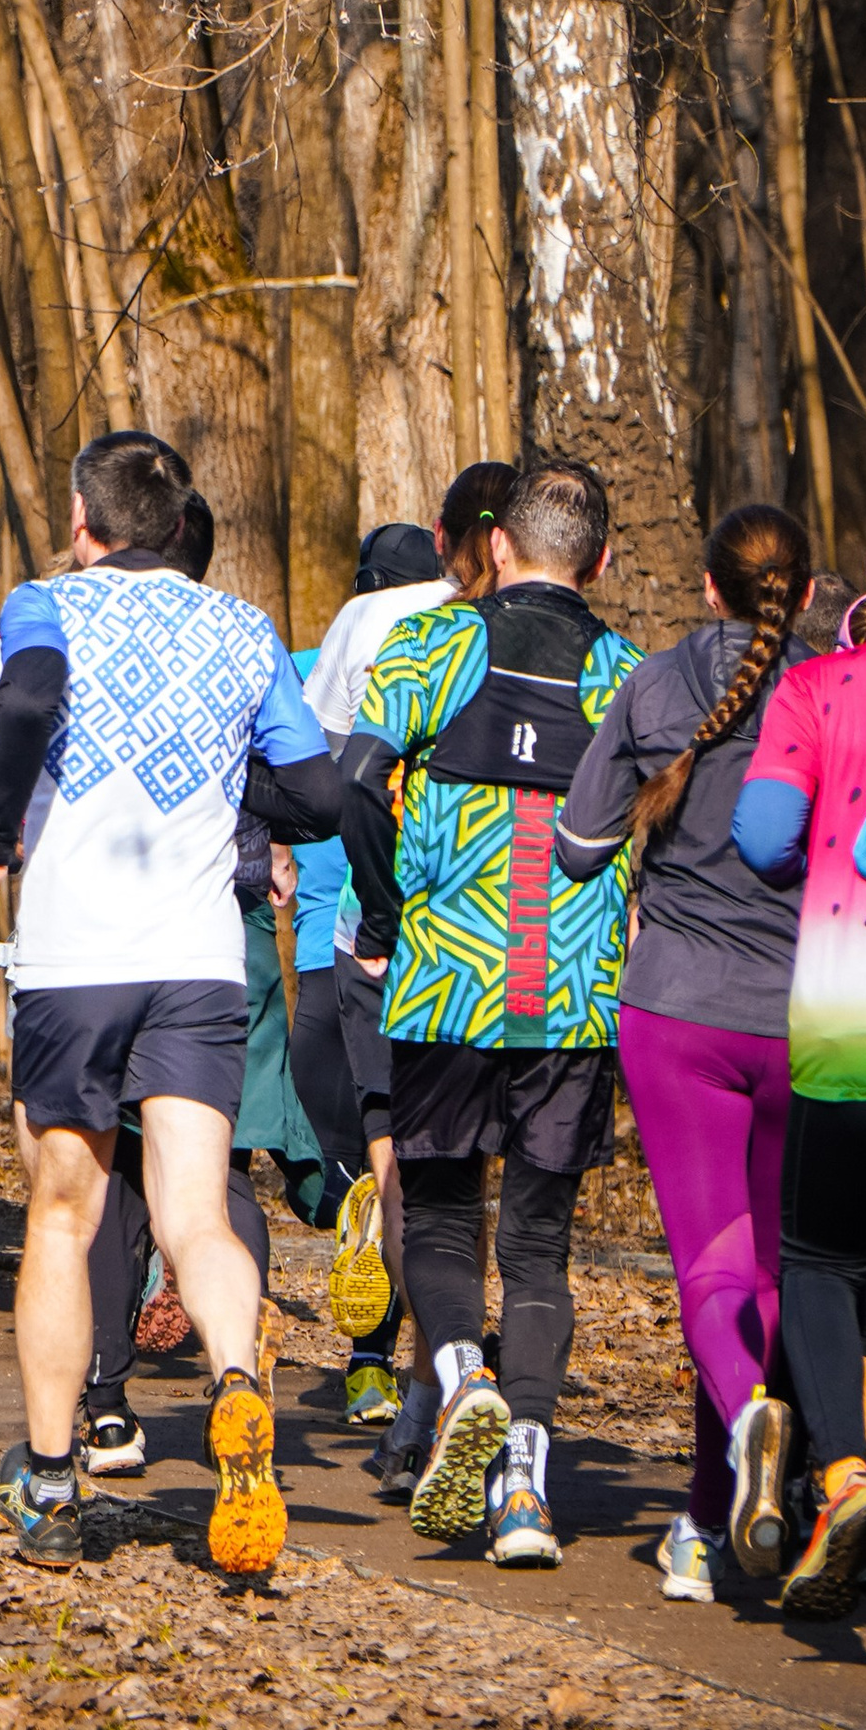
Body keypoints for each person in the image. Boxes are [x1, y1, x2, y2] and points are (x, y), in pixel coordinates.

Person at [0, 431, 343, 1572]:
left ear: (83, 517)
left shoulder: (43, 601)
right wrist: (227, 776)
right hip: (198, 961)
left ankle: (54, 1481)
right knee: (198, 1218)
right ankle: (232, 1385)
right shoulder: (242, 626)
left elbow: (25, 704)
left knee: (64, 1220)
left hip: (78, 959)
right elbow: (314, 791)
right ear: (177, 527)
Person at [340, 456, 640, 1566]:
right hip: (573, 1000)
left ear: (496, 548)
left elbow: (356, 783)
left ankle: (457, 1375)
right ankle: (524, 1485)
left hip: (445, 985)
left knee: (440, 1215)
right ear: (600, 562)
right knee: (540, 1248)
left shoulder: (425, 648)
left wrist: (380, 919)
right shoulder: (624, 675)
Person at [556, 502, 812, 1600]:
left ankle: (749, 1427)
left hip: (678, 1012)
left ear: (706, 587)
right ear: (803, 595)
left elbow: (576, 848)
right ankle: (708, 1522)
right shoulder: (829, 687)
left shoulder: (653, 686)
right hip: (810, 1012)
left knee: (709, 1261)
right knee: (766, 1267)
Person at [730, 462, 866, 1626]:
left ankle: (845, 1476)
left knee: (824, 1258)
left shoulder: (815, 687)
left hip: (853, 1011)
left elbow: (761, 836)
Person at [293, 503, 487, 1430]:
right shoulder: (511, 646)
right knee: (454, 1181)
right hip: (478, 940)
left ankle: (378, 1333)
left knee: (373, 1160)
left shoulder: (359, 636)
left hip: (355, 938)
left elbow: (328, 774)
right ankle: (430, 1379)